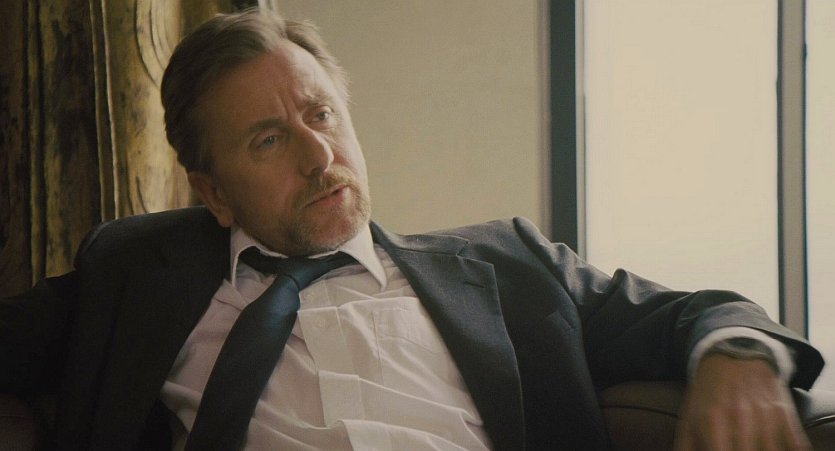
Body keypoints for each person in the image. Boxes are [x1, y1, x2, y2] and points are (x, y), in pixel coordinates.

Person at [0, 8, 824, 451]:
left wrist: (738, 357)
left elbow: (694, 313)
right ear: (213, 191)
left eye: (322, 114)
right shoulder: (138, 270)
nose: (319, 154)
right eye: (270, 140)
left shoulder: (508, 264)